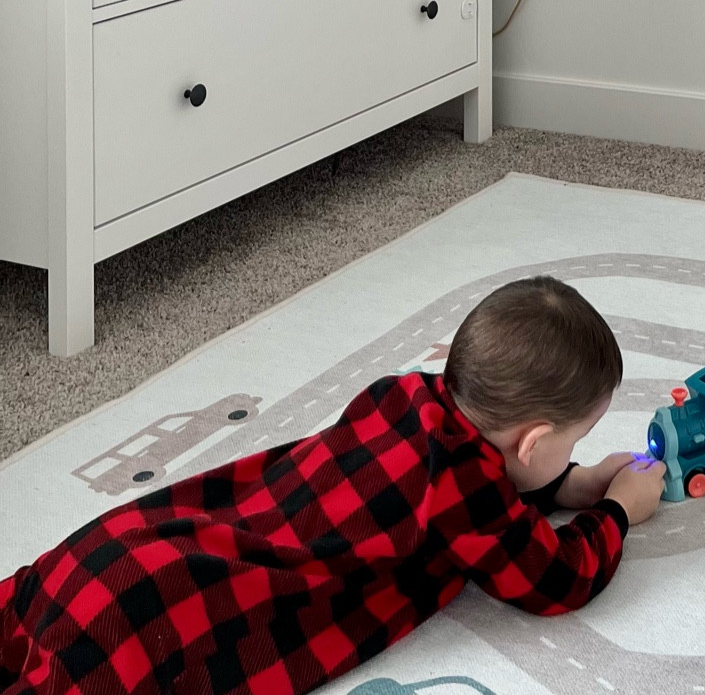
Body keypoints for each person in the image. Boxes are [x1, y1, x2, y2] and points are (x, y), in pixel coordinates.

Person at [0, 276, 664, 695]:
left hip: (117, 549)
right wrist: (615, 512)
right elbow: (554, 580)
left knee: (24, 620)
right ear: (532, 442)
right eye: (571, 443)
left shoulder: (404, 395)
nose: (572, 456)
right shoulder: (470, 492)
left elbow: (478, 494)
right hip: (155, 610)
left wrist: (567, 486)